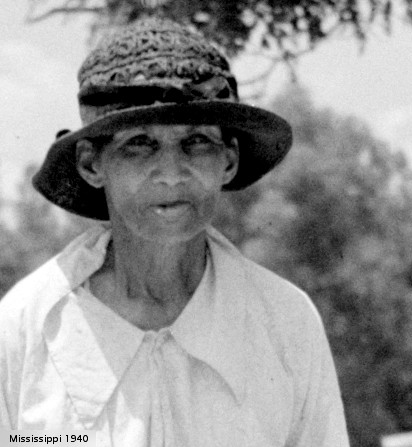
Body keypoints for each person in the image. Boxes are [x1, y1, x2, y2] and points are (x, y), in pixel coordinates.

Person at [0, 17, 349, 447]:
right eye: (139, 143)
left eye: (197, 141)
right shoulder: (26, 328)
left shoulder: (285, 322)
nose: (171, 173)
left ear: (229, 160)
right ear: (92, 163)